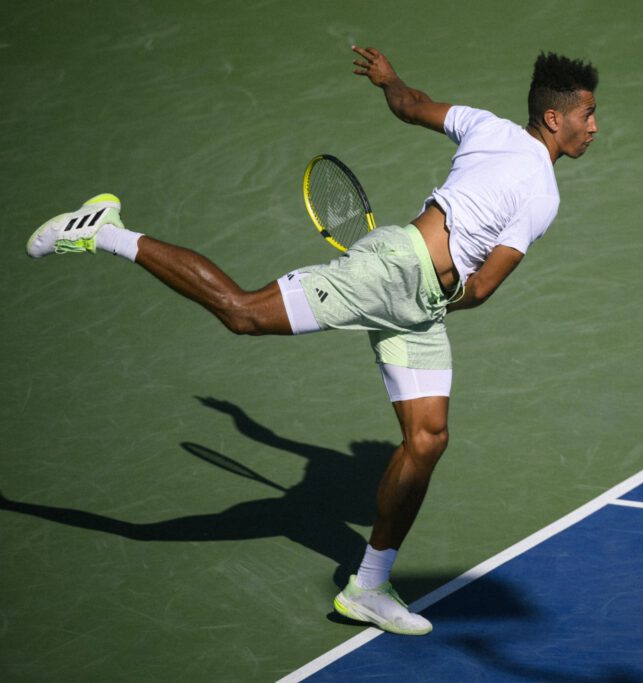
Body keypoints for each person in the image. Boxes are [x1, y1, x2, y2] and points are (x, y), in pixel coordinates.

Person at [25, 45, 599, 635]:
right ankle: (107, 231)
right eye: (588, 114)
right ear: (555, 118)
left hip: (417, 303)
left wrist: (388, 78)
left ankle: (368, 588)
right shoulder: (542, 193)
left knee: (427, 441)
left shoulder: (485, 124)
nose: (594, 127)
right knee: (242, 313)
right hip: (396, 275)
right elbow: (482, 289)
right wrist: (443, 291)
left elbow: (411, 105)